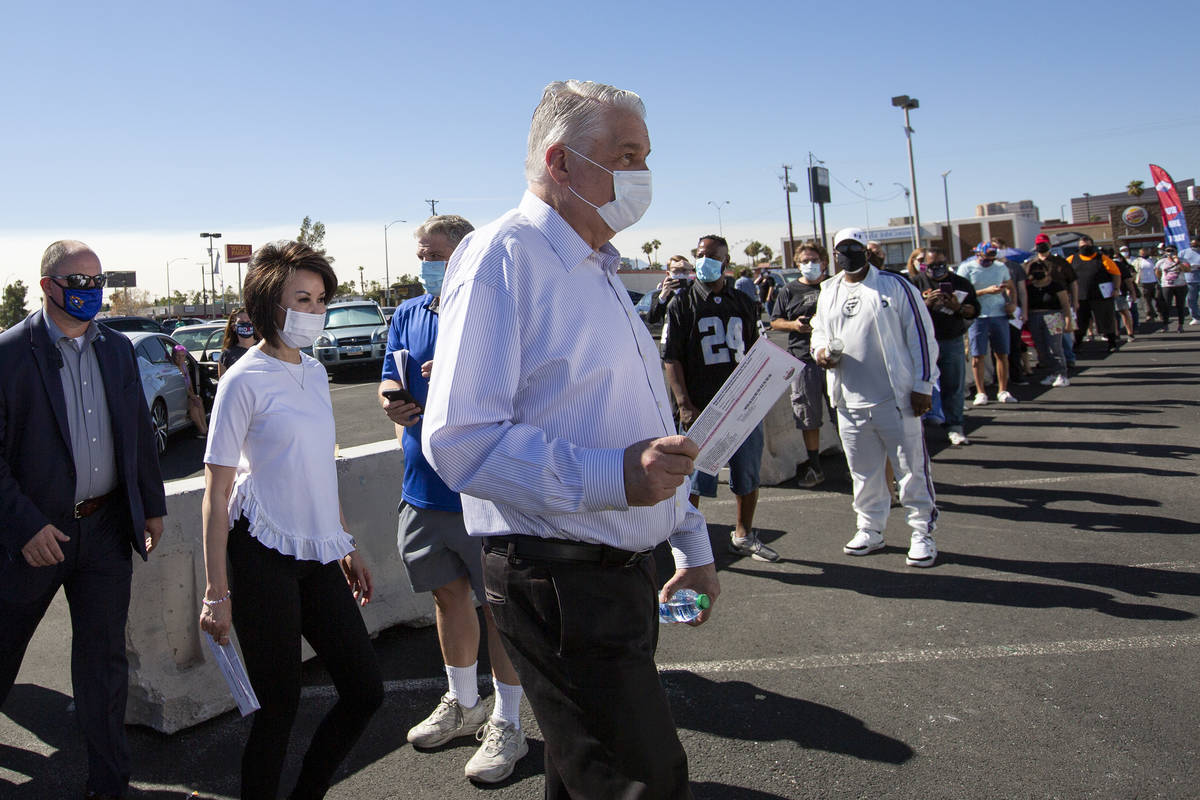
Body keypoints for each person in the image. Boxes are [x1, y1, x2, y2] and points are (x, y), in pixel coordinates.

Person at [423, 79, 719, 800]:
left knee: (583, 775)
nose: (642, 176)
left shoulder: (601, 271)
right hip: (559, 583)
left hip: (619, 575)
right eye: (625, 155)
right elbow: (459, 441)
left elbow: (641, 436)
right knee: (639, 781)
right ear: (559, 162)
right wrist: (616, 477)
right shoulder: (504, 256)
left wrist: (691, 544)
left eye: (645, 156)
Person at [200, 241, 383, 800]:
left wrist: (345, 542)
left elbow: (318, 469)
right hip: (261, 556)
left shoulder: (316, 372)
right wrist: (216, 592)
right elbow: (216, 491)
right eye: (300, 298)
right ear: (267, 305)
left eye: (321, 299)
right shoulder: (242, 380)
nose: (314, 310)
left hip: (319, 554)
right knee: (278, 708)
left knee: (364, 691)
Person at [0, 240, 167, 800]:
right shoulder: (8, 356)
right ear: (47, 286)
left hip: (104, 531)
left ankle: (110, 783)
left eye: (96, 281)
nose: (90, 291)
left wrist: (153, 505)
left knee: (103, 665)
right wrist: (25, 526)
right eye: (77, 281)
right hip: (33, 539)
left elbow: (138, 434)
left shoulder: (117, 349)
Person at [378, 215, 529, 784]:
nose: (426, 264)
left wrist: (467, 375)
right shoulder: (408, 314)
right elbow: (388, 378)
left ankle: (508, 722)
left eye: (435, 253)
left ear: (465, 252)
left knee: (498, 609)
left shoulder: (496, 306)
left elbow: (527, 389)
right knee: (448, 597)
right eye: (421, 253)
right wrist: (391, 398)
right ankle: (463, 702)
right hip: (422, 489)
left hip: (482, 492)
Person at [811, 228, 940, 567]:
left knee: (911, 470)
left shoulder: (895, 287)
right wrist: (821, 352)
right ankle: (870, 528)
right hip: (849, 401)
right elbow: (819, 332)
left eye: (854, 248)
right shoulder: (829, 291)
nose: (847, 255)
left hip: (895, 400)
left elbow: (922, 337)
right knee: (863, 472)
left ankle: (921, 532)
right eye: (841, 249)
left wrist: (923, 385)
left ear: (866, 251)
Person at [664, 234, 774, 561]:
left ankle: (743, 534)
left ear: (725, 263)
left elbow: (756, 351)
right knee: (693, 479)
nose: (704, 260)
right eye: (700, 254)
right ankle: (686, 542)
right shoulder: (682, 302)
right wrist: (684, 404)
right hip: (702, 407)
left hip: (742, 405)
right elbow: (672, 358)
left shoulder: (741, 301)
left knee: (747, 473)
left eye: (711, 256)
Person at [772, 240, 830, 481]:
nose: (810, 265)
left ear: (824, 262)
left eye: (814, 260)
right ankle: (814, 466)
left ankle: (856, 466)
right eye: (804, 261)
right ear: (797, 264)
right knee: (808, 415)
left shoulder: (833, 287)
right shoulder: (789, 291)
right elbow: (775, 321)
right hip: (803, 359)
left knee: (846, 415)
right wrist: (795, 325)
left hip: (835, 360)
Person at [908, 247, 978, 446]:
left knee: (953, 385)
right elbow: (906, 313)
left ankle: (955, 426)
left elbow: (973, 311)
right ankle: (917, 429)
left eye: (940, 265)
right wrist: (926, 303)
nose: (936, 269)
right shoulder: (914, 283)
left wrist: (958, 307)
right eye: (930, 266)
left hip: (950, 339)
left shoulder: (961, 283)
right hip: (921, 343)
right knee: (917, 386)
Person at [959, 242, 1017, 405]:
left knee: (1002, 354)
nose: (989, 262)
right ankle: (980, 392)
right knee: (977, 355)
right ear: (978, 255)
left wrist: (1012, 303)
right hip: (977, 316)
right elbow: (963, 293)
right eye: (986, 259)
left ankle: (1003, 390)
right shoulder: (967, 268)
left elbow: (1011, 287)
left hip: (999, 314)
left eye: (992, 259)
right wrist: (986, 291)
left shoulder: (1000, 267)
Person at [1028, 234, 1078, 366]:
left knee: (1062, 338)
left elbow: (1073, 281)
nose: (1042, 247)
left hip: (1057, 307)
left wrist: (1075, 300)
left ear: (1050, 245)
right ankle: (1046, 363)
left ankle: (1068, 360)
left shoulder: (1060, 262)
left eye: (1044, 244)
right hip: (1037, 308)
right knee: (1040, 341)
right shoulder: (1030, 264)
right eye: (1039, 244)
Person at [1068, 234, 1121, 351]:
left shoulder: (1102, 258)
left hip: (1101, 296)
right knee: (1080, 322)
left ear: (1092, 245)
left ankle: (1112, 343)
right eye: (1082, 246)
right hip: (1081, 297)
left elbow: (1116, 274)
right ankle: (1077, 344)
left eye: (1087, 245)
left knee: (1106, 320)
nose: (1084, 248)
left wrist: (1116, 289)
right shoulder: (1072, 259)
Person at [1025, 260, 1074, 387]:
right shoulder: (1029, 288)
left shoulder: (1056, 286)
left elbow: (1065, 304)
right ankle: (1051, 373)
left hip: (1053, 316)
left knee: (1055, 347)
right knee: (1041, 348)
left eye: (1040, 270)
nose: (1037, 273)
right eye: (1034, 271)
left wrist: (1068, 320)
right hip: (1034, 316)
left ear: (1047, 271)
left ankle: (1062, 374)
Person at [991, 237, 1029, 385]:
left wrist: (1024, 311)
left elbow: (1022, 291)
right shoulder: (989, 267)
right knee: (996, 346)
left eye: (998, 248)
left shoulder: (1015, 267)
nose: (996, 251)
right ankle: (998, 377)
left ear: (1005, 248)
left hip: (1013, 310)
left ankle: (1016, 375)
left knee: (1015, 344)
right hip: (995, 311)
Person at [171, 344, 209, 436]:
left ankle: (205, 428)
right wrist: (191, 396)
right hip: (178, 396)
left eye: (183, 356)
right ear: (173, 355)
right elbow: (182, 385)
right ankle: (201, 429)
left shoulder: (184, 366)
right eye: (178, 356)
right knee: (193, 404)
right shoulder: (173, 368)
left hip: (187, 394)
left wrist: (193, 394)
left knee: (198, 399)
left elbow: (189, 383)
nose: (180, 358)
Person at [647, 255, 693, 327]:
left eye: (684, 271)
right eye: (676, 271)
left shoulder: (694, 291)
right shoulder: (659, 295)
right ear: (668, 273)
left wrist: (693, 267)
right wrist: (662, 297)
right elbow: (652, 319)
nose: (680, 274)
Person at [1155, 245, 1190, 332]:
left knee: (1180, 305)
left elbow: (1187, 269)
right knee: (1166, 305)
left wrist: (1178, 262)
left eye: (1172, 250)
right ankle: (1165, 325)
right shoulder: (1161, 261)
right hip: (1167, 286)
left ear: (1176, 251)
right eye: (1167, 250)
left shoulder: (1183, 260)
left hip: (1180, 285)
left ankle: (1180, 325)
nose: (1169, 252)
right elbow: (1157, 272)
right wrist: (1162, 281)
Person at [218, 307, 257, 378]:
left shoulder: (265, 348)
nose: (245, 325)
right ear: (233, 327)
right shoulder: (226, 355)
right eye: (241, 322)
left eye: (249, 322)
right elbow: (223, 384)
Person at [1110, 246, 1137, 340]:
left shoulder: (1118, 265)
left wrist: (1132, 292)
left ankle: (1130, 333)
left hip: (1120, 292)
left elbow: (1128, 280)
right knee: (1111, 314)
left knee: (1124, 311)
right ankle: (1115, 333)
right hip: (1106, 294)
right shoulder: (1098, 265)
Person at [1132, 246, 1160, 325]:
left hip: (1154, 282)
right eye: (1142, 253)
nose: (1143, 254)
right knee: (1146, 300)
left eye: (1145, 252)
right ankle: (1149, 315)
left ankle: (1159, 313)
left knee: (1158, 298)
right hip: (1143, 283)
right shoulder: (1137, 261)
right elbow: (1133, 271)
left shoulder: (1153, 260)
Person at [1178, 237, 1200, 324]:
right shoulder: (1183, 253)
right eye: (1192, 243)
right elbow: (1179, 265)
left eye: (1196, 243)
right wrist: (1187, 267)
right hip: (1190, 279)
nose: (1193, 245)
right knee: (1191, 299)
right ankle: (1196, 317)